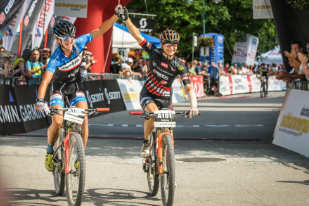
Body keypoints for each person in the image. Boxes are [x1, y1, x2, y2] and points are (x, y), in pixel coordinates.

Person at [36, 13, 119, 172]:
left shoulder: (79, 43)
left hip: (75, 87)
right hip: (59, 89)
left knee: (84, 118)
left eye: (71, 37)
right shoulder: (55, 58)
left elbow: (101, 30)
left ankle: (81, 156)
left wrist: (115, 16)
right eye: (66, 39)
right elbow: (46, 81)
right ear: (58, 40)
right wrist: (40, 100)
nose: (70, 41)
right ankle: (49, 151)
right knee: (58, 122)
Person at [121, 6, 199, 157]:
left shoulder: (179, 65)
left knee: (168, 132)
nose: (172, 47)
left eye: (175, 44)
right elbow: (137, 36)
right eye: (168, 44)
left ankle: (169, 168)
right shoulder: (154, 52)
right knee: (154, 114)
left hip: (165, 99)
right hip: (148, 94)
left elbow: (189, 88)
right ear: (162, 45)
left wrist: (193, 106)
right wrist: (126, 19)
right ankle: (146, 142)